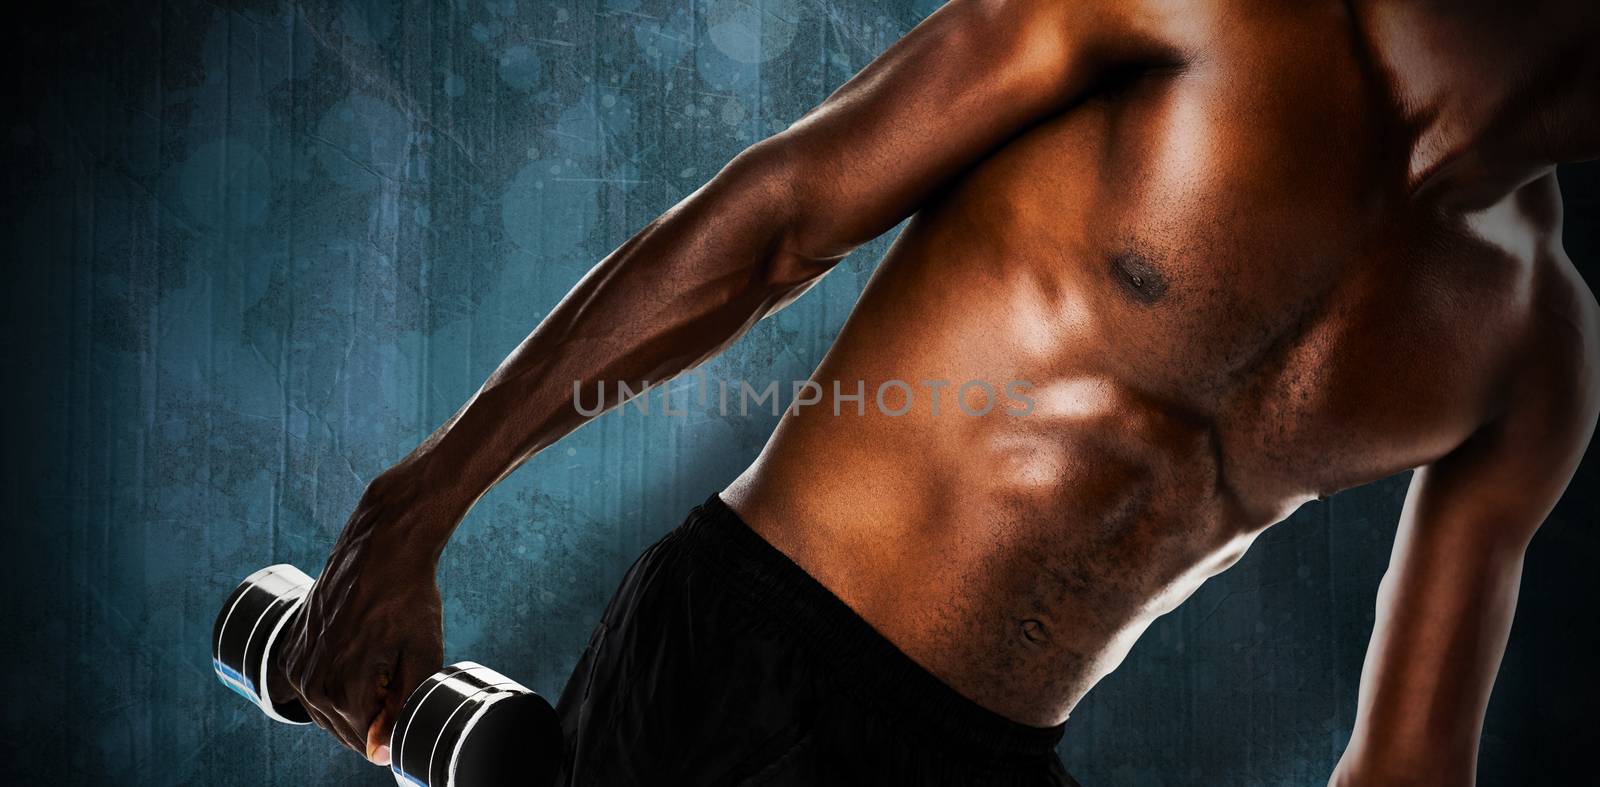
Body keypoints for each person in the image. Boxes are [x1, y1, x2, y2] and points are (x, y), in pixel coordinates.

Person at [273, 0, 1600, 783]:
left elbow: (1408, 767)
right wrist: (425, 500)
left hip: (992, 763)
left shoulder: (1537, 348)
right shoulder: (1215, 18)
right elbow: (777, 223)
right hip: (760, 649)